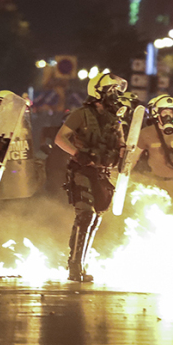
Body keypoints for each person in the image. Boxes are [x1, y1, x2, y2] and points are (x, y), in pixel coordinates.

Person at [53, 71, 127, 282]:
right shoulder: (81, 114)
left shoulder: (115, 118)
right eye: (111, 90)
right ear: (99, 92)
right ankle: (74, 266)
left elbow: (121, 144)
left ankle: (82, 264)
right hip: (82, 170)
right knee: (85, 215)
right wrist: (78, 153)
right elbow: (60, 138)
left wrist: (123, 154)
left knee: (95, 219)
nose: (115, 94)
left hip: (103, 173)